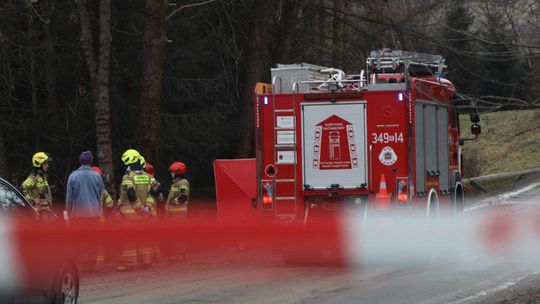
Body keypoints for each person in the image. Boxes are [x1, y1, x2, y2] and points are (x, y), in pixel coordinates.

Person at [116, 149, 160, 271]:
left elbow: (130, 193)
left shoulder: (128, 177)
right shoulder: (148, 176)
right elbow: (157, 189)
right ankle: (146, 262)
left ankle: (129, 264)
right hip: (145, 215)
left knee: (129, 241)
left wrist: (139, 209)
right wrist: (148, 206)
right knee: (144, 239)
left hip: (130, 216)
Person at [65, 151, 104, 271]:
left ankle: (81, 265)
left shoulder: (73, 176)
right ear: (91, 161)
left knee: (79, 240)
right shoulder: (97, 176)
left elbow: (69, 198)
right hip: (94, 214)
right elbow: (100, 194)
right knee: (93, 240)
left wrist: (69, 212)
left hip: (77, 215)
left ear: (80, 161)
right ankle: (92, 264)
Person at [165, 162, 190, 262]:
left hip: (178, 214)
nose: (171, 174)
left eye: (172, 172)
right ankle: (175, 254)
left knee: (178, 235)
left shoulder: (183, 183)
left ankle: (180, 255)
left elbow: (183, 197)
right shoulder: (176, 182)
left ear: (177, 172)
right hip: (173, 214)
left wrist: (172, 202)